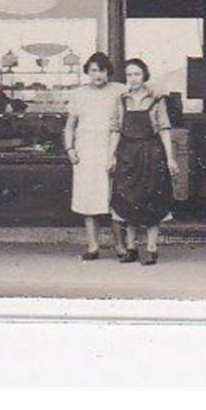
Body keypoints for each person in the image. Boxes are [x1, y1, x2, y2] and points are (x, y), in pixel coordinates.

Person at [109, 58, 179, 265]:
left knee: (152, 200)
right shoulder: (121, 100)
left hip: (151, 154)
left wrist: (170, 158)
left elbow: (164, 129)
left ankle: (151, 248)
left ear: (144, 76)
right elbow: (115, 130)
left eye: (137, 74)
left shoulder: (157, 99)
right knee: (129, 200)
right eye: (129, 75)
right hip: (127, 155)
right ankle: (132, 248)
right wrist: (110, 155)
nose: (133, 79)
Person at [63, 51, 122, 260]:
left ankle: (120, 246)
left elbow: (150, 90)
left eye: (102, 70)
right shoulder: (79, 94)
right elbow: (70, 126)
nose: (98, 75)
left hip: (110, 151)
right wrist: (70, 150)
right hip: (85, 152)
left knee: (114, 200)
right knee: (88, 200)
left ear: (108, 72)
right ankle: (93, 246)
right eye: (94, 70)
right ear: (88, 72)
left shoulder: (119, 91)